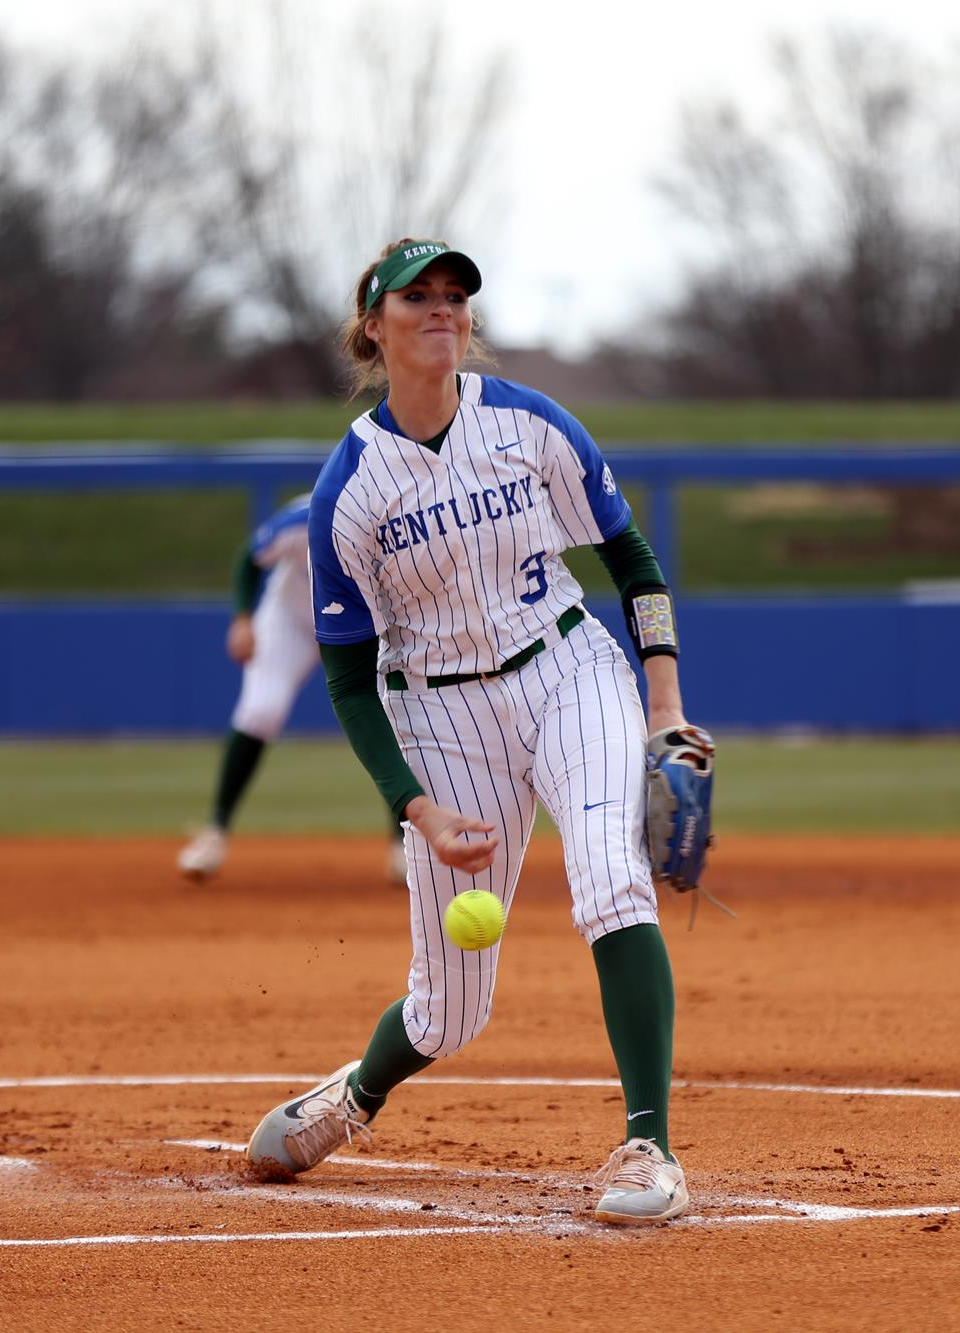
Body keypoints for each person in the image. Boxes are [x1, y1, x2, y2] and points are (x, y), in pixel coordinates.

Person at [244, 238, 698, 1226]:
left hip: (568, 665)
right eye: (418, 296)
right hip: (438, 714)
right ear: (374, 325)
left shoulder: (528, 424)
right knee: (448, 1012)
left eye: (454, 294)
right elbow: (348, 683)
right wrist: (416, 806)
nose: (441, 308)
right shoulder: (348, 494)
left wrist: (663, 707)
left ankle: (649, 1145)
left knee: (610, 878)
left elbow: (630, 558)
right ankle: (356, 1093)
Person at [177, 495, 406, 884]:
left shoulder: (393, 522)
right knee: (260, 712)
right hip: (294, 622)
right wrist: (243, 619)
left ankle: (403, 845)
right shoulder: (305, 518)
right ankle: (214, 833)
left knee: (397, 717)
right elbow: (250, 560)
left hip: (363, 629)